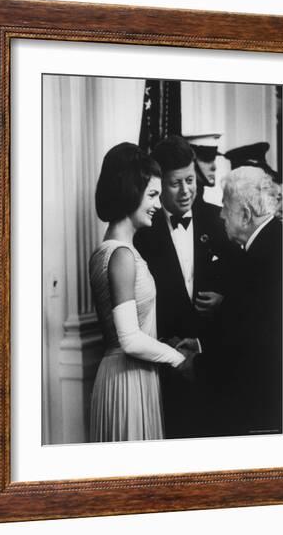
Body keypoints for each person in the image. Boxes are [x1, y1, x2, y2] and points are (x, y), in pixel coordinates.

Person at [89, 142, 196, 443]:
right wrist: (177, 358)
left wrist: (164, 343)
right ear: (129, 192)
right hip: (127, 379)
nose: (158, 204)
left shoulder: (112, 249)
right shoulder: (121, 255)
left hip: (132, 374)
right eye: (152, 195)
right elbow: (129, 339)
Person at [134, 135, 231, 438]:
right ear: (159, 184)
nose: (187, 190)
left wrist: (223, 301)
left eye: (191, 179)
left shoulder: (219, 221)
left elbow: (242, 283)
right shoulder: (142, 234)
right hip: (165, 364)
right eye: (176, 183)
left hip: (215, 361)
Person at [197, 165, 283, 436]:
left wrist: (196, 363)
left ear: (245, 215)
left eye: (225, 206)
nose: (220, 214)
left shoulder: (261, 260)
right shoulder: (270, 245)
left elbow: (247, 345)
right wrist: (200, 345)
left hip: (260, 407)